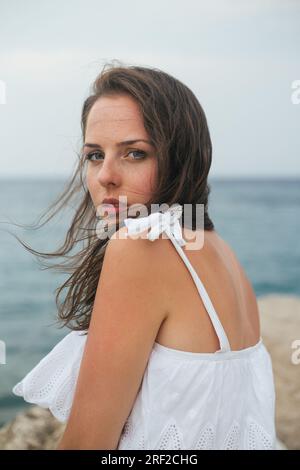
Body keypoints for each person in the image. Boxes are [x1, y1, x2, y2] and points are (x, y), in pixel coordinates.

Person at [12, 62, 276, 450]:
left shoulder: (139, 247)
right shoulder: (217, 247)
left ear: (180, 157)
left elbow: (88, 443)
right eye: (94, 155)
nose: (105, 176)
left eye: (134, 154)